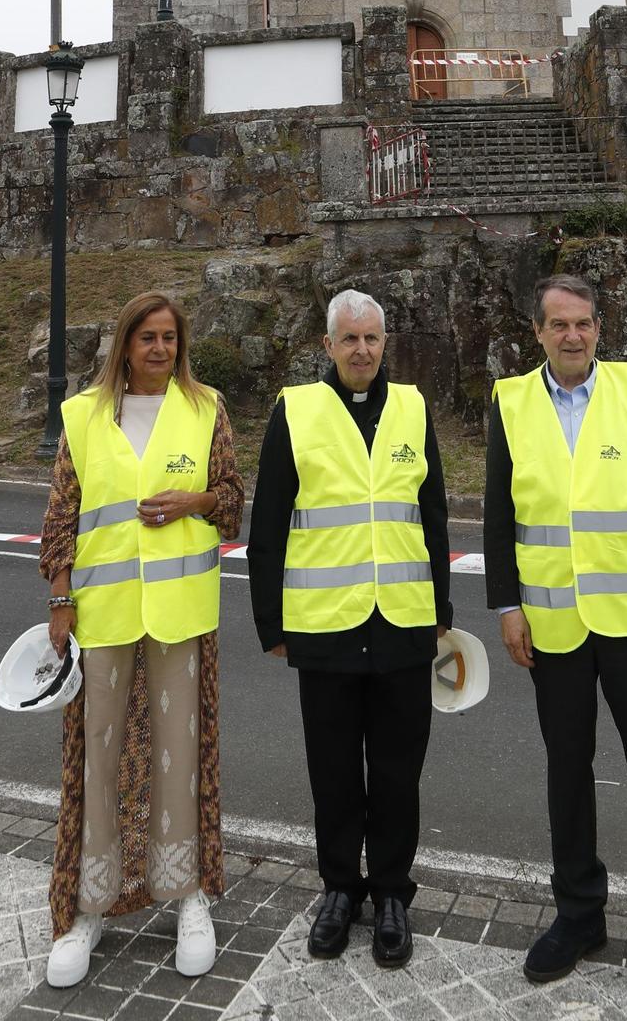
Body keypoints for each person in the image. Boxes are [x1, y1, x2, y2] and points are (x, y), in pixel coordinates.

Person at [484, 275, 627, 1009]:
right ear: (538, 332)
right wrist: (506, 607)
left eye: (582, 323)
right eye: (557, 324)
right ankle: (578, 916)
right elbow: (496, 514)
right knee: (566, 773)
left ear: (598, 328)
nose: (571, 335)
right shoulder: (511, 403)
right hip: (552, 627)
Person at [38, 292, 244, 990]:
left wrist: (198, 502)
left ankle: (185, 892)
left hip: (183, 613)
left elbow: (232, 497)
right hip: (103, 615)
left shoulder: (206, 408)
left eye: (169, 338)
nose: (159, 349)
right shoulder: (83, 417)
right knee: (97, 755)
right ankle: (88, 906)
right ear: (124, 345)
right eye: (146, 338)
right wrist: (60, 599)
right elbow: (62, 513)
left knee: (178, 753)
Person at [248, 289, 451, 968]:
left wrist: (440, 616)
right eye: (349, 339)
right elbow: (269, 525)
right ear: (328, 346)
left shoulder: (413, 408)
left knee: (397, 773)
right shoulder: (295, 411)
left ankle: (391, 893)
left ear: (383, 343)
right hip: (324, 627)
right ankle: (339, 889)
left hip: (401, 624)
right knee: (334, 774)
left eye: (371, 338)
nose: (361, 350)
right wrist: (270, 623)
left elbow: (434, 518)